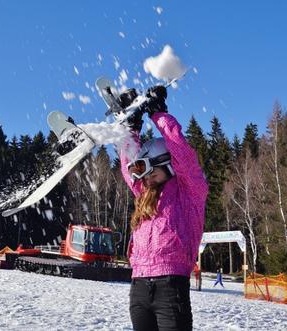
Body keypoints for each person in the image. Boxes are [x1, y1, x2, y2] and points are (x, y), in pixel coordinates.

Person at [118, 86, 209, 331]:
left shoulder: (190, 191)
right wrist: (131, 127)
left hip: (170, 286)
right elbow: (128, 167)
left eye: (150, 171)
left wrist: (159, 114)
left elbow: (181, 150)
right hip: (138, 287)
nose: (144, 178)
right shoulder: (144, 194)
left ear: (168, 165)